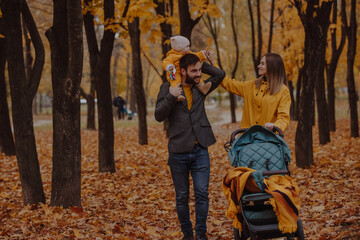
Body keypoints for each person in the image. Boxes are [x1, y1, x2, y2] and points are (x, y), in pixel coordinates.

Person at [155, 53, 225, 240]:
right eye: (194, 70)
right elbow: (158, 115)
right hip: (178, 151)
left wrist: (201, 61)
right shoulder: (167, 88)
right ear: (182, 71)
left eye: (199, 70)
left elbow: (220, 74)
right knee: (182, 197)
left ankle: (200, 234)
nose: (198, 73)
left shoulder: (201, 88)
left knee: (202, 193)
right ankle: (187, 234)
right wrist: (171, 96)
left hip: (200, 149)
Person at [219, 53, 291, 131]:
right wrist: (213, 66)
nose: (258, 66)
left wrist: (275, 126)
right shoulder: (251, 85)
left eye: (262, 64)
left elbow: (284, 117)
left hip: (268, 138)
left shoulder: (283, 91)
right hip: (247, 138)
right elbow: (230, 84)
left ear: (272, 67)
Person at [162, 36, 212, 101]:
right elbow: (166, 61)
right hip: (175, 71)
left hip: (185, 71)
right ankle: (176, 95)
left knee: (196, 76)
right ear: (180, 47)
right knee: (175, 81)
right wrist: (169, 66)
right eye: (187, 46)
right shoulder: (172, 55)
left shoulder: (188, 53)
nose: (189, 48)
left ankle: (202, 87)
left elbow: (196, 56)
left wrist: (203, 54)